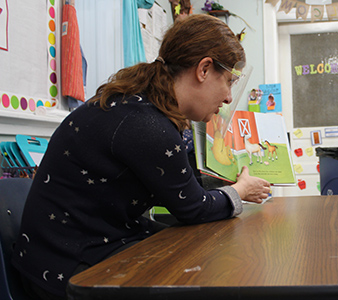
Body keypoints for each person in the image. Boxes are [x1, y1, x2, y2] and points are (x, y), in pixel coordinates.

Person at [12, 14, 271, 300]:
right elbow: (193, 208)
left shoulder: (142, 107)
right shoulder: (148, 124)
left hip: (78, 247)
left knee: (198, 250)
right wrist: (241, 191)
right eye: (229, 82)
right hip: (68, 269)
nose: (227, 98)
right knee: (204, 267)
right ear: (204, 69)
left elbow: (175, 189)